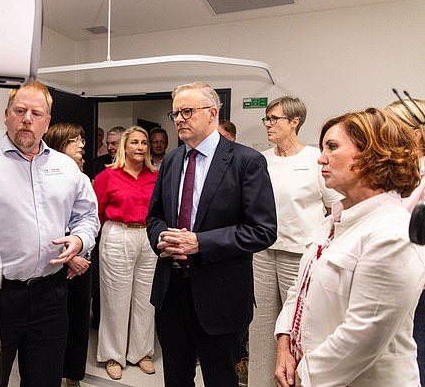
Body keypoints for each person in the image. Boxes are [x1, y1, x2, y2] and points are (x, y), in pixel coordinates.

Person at [0, 81, 99, 387]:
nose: (27, 118)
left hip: (50, 295)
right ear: (6, 115)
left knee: (44, 380)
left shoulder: (67, 168)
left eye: (36, 113)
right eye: (20, 110)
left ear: (47, 121)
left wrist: (79, 240)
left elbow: (88, 216)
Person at [274, 108, 425, 387]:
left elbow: (363, 336)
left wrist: (305, 375)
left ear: (373, 154)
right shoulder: (331, 221)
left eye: (332, 147)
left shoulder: (392, 234)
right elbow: (300, 289)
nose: (321, 158)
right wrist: (284, 342)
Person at [146, 82, 277, 387]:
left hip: (221, 295)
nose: (179, 119)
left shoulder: (247, 162)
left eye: (187, 111)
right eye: (176, 112)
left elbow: (263, 230)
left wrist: (199, 243)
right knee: (176, 378)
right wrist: (162, 237)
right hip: (172, 292)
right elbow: (154, 216)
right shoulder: (172, 161)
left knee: (220, 378)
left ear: (213, 113)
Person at [249, 97, 342, 387]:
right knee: (260, 328)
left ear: (294, 122)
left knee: (299, 329)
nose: (268, 124)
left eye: (274, 118)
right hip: (262, 253)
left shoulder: (315, 159)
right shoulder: (261, 160)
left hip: (300, 256)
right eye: (266, 118)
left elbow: (336, 206)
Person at [94, 126, 159, 380]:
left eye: (144, 143)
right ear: (124, 146)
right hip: (117, 233)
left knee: (146, 300)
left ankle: (141, 353)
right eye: (134, 142)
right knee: (115, 298)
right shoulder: (108, 176)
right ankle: (113, 354)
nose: (140, 147)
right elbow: (96, 213)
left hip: (147, 238)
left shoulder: (155, 176)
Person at [43, 123, 92, 387]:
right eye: (76, 140)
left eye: (82, 139)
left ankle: (74, 376)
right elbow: (46, 224)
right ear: (61, 144)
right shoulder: (44, 176)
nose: (82, 144)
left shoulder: (80, 176)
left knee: (79, 321)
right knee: (56, 326)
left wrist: (82, 252)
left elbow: (88, 219)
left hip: (82, 261)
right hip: (58, 263)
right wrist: (70, 256)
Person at [385, 97, 425, 387]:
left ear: (415, 134)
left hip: (418, 282)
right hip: (392, 275)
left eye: (391, 128)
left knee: (417, 358)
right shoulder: (396, 169)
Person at [90, 125, 126, 330]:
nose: (110, 147)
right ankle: (100, 319)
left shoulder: (135, 167)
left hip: (126, 232)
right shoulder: (97, 165)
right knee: (101, 281)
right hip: (101, 230)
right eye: (108, 144)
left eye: (114, 143)